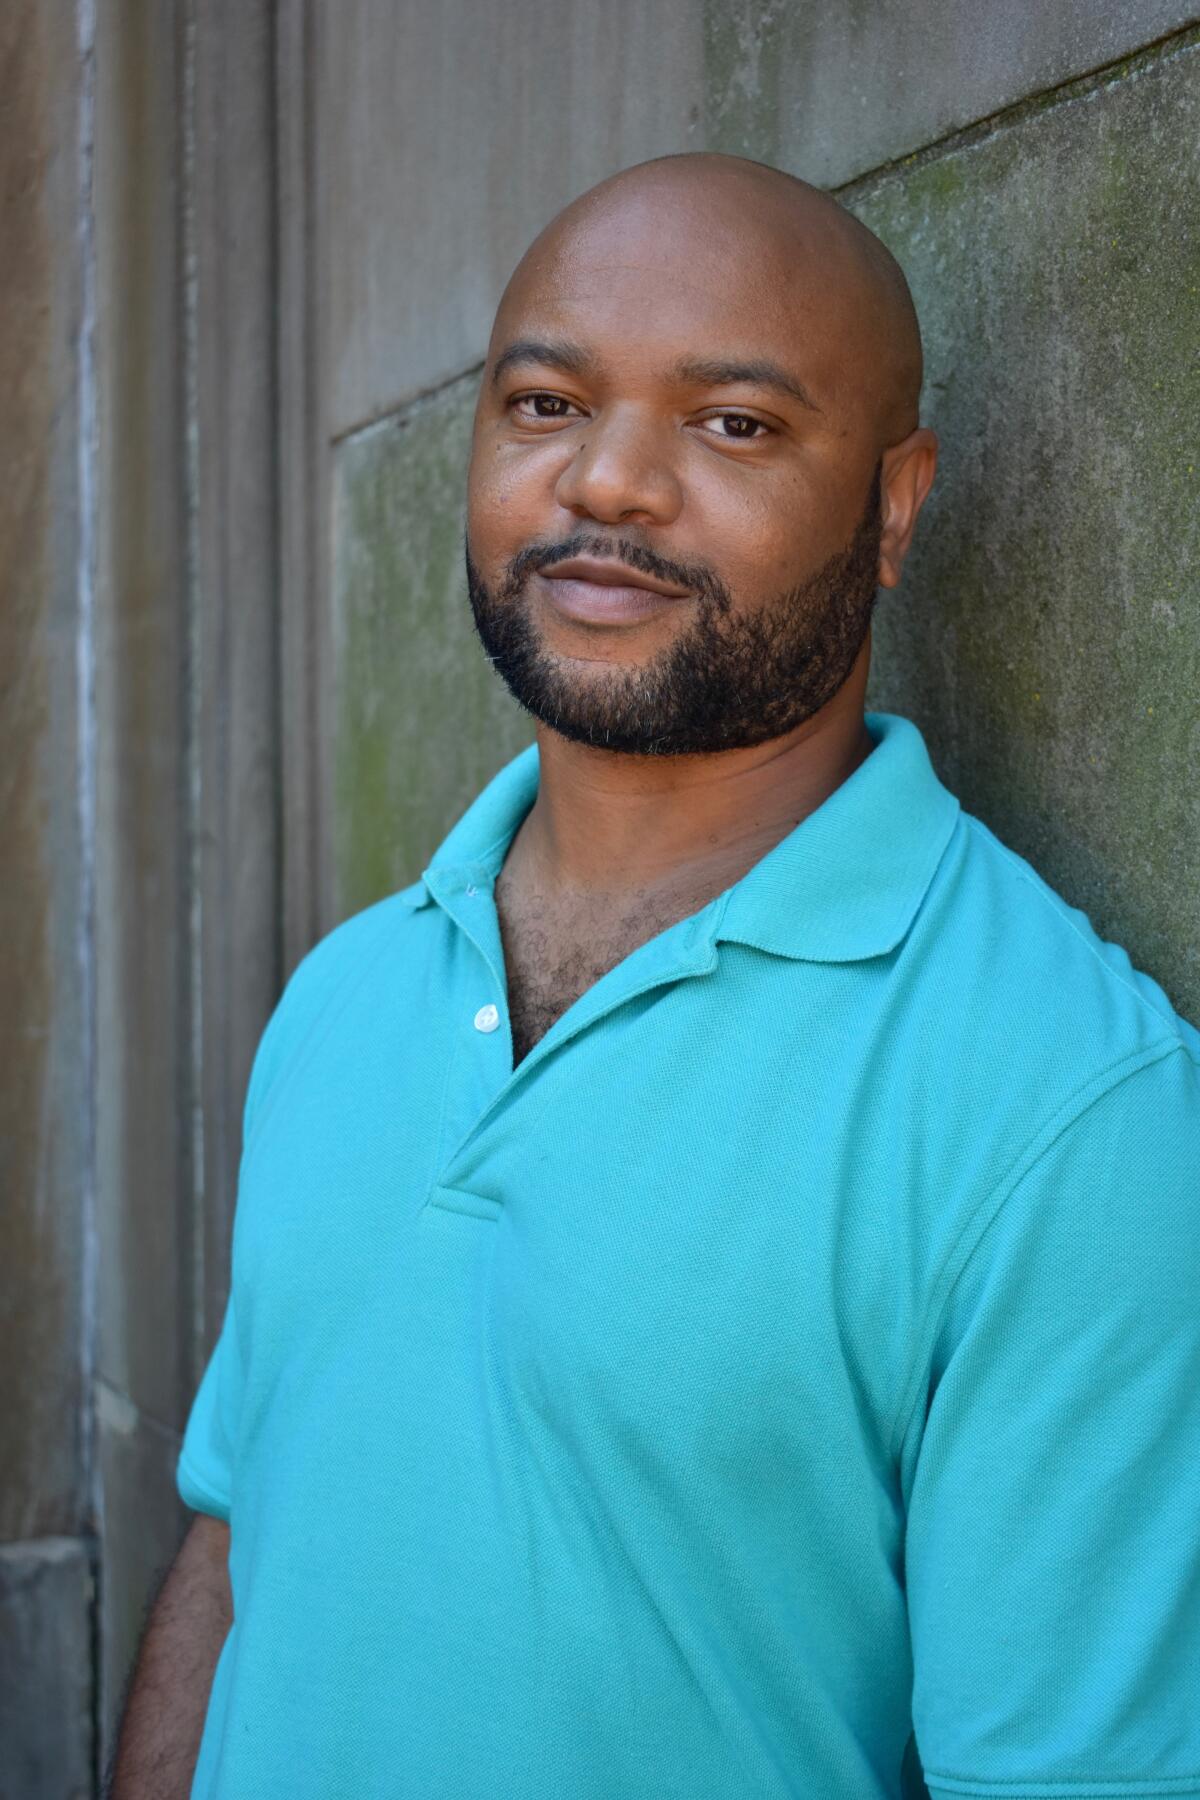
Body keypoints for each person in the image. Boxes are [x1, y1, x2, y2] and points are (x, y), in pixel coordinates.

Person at [111, 153, 1200, 1800]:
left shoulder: (1065, 1106)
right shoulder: (344, 993)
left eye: (732, 424)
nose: (607, 481)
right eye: (545, 403)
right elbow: (240, 1537)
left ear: (895, 506)